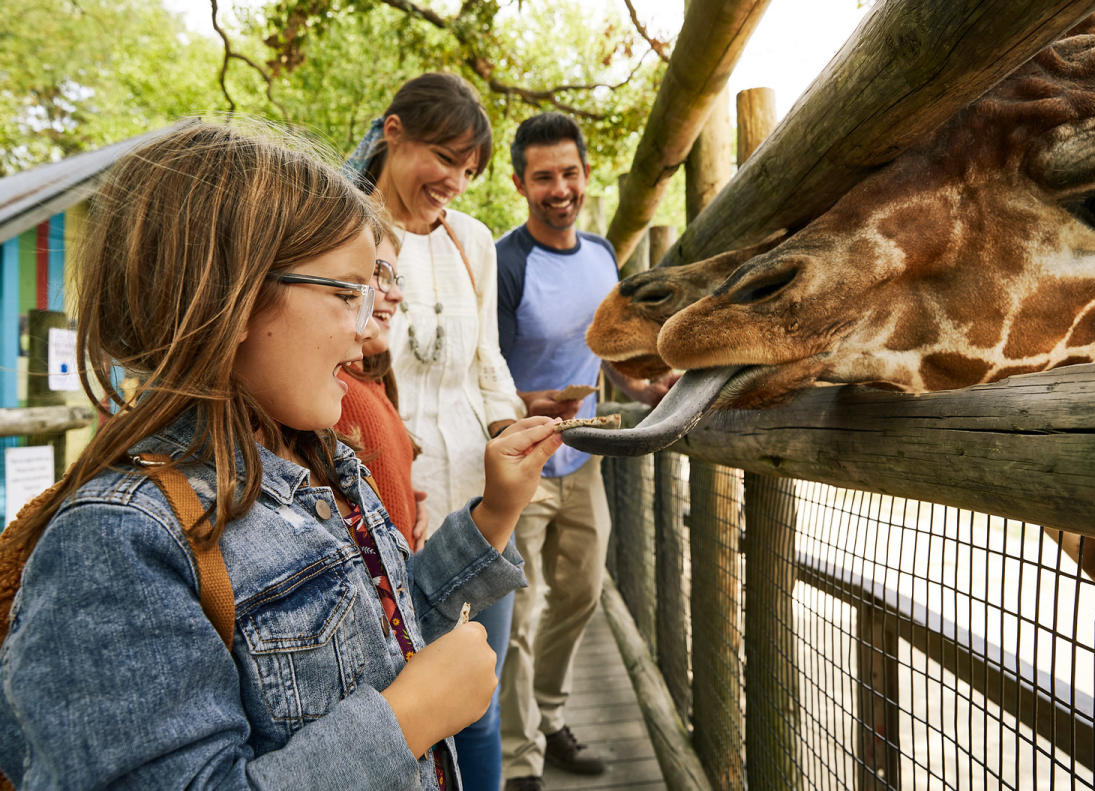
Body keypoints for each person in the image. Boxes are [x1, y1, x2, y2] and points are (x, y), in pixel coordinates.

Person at [0, 121, 562, 791]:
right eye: (345, 293)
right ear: (231, 298)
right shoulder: (117, 544)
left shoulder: (321, 463)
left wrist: (496, 512)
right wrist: (407, 717)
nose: (364, 332)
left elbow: (377, 629)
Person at [343, 72, 523, 791]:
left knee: (479, 697)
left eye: (468, 169)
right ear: (393, 134)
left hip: (477, 504)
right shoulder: (342, 232)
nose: (454, 180)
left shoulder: (473, 242)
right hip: (383, 495)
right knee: (395, 705)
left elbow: (488, 362)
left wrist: (514, 431)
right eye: (443, 158)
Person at [495, 112, 673, 791]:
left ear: (586, 175)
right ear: (520, 183)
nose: (559, 187)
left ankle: (549, 713)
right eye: (543, 177)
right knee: (522, 606)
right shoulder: (508, 263)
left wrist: (644, 382)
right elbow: (486, 371)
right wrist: (531, 401)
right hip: (521, 457)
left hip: (585, 451)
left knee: (580, 592)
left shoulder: (602, 254)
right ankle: (520, 760)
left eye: (569, 173)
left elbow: (609, 346)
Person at [335, 221, 429, 550]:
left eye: (395, 277)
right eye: (379, 272)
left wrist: (405, 499)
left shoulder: (368, 377)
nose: (397, 293)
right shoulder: (336, 389)